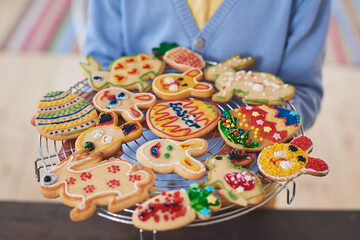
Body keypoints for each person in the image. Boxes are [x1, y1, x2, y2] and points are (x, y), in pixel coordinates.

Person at [83, 0, 331, 130]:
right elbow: (102, 74)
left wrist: (260, 127)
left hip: (246, 182)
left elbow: (302, 92)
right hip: (134, 173)